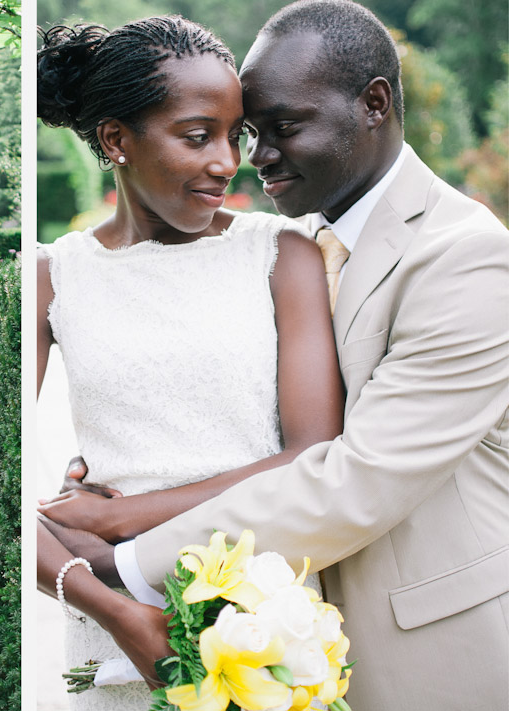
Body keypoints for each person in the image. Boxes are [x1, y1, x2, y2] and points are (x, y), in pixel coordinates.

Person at [42, 2, 509, 709]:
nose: (248, 159)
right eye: (245, 131)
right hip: (245, 631)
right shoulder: (309, 232)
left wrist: (120, 539)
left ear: (374, 104)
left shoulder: (464, 256)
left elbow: (354, 475)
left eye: (278, 129)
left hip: (416, 647)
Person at [35, 16, 344, 709]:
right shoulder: (54, 276)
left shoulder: (280, 254)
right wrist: (115, 610)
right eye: (197, 135)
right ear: (116, 140)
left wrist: (123, 518)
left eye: (234, 135)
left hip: (264, 616)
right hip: (108, 621)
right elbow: (2, 492)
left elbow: (312, 451)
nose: (227, 161)